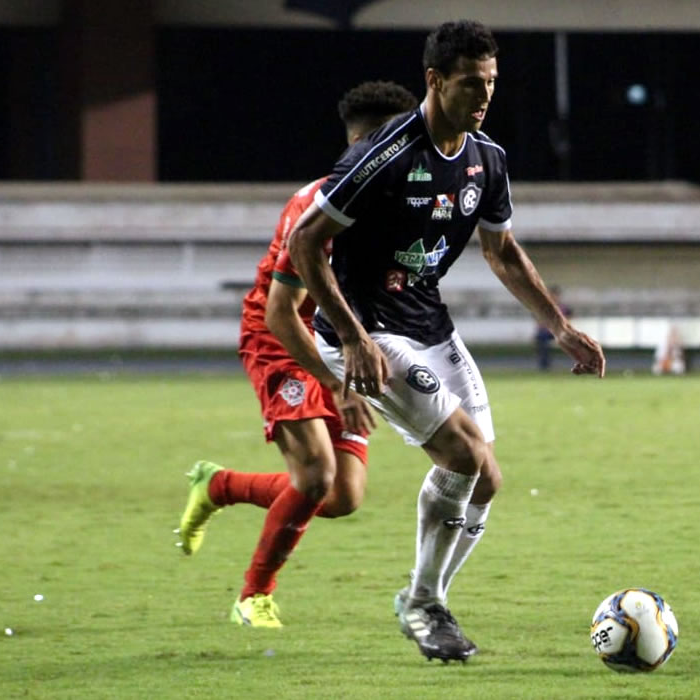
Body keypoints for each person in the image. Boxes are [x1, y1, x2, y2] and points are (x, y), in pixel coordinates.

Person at [286, 20, 606, 663]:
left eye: (490, 82)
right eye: (469, 83)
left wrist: (560, 326)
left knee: (486, 476)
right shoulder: (385, 154)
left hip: (429, 325)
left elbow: (503, 250)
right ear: (434, 81)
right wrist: (350, 338)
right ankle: (426, 605)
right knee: (461, 455)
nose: (483, 95)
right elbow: (305, 243)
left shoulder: (488, 160)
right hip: (366, 331)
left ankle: (421, 597)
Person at [174, 81, 419, 629]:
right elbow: (282, 314)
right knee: (314, 477)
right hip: (282, 339)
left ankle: (218, 486)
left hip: (343, 343)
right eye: (405, 140)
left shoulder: (391, 202)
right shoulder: (317, 207)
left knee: (342, 497)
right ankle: (252, 596)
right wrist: (337, 386)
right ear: (376, 141)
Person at [534, 286, 573, 371]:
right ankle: (544, 365)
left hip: (559, 332)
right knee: (542, 339)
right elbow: (539, 321)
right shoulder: (542, 307)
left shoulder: (564, 308)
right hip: (546, 332)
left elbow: (568, 321)